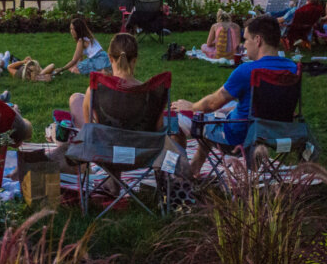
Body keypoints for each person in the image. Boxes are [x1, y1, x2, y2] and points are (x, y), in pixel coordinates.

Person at [171, 15, 298, 174]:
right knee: (229, 107)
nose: (244, 45)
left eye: (246, 40)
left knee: (174, 119)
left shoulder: (247, 71)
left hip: (237, 137)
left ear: (258, 40)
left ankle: (180, 177)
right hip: (273, 132)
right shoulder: (292, 68)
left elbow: (212, 104)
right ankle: (193, 170)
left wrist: (191, 106)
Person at [68, 33, 156, 130]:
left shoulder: (96, 90)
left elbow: (89, 128)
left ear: (110, 59)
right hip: (138, 142)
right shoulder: (150, 93)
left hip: (105, 142)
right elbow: (157, 128)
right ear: (135, 60)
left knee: (76, 99)